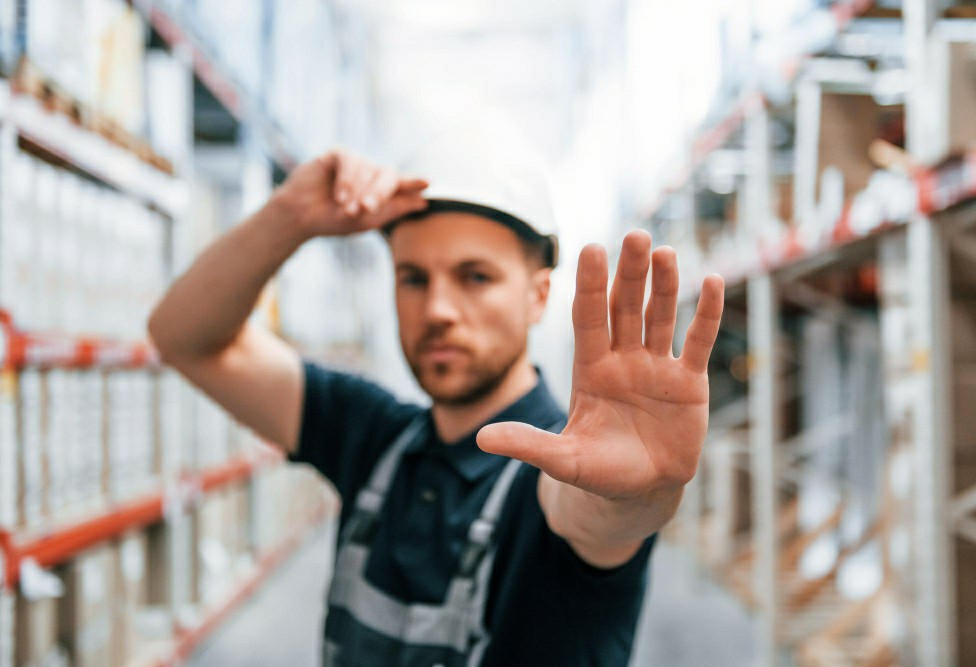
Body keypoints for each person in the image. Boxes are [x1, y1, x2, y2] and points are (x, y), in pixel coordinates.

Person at [147, 140, 724, 666]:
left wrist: (636, 497)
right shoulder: (371, 433)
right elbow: (183, 338)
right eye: (414, 278)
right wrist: (289, 217)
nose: (439, 309)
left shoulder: (563, 466)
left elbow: (594, 515)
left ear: (538, 296)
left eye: (475, 277)